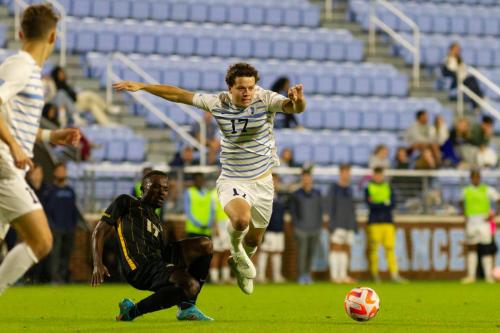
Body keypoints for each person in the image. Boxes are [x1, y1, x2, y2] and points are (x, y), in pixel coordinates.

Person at [113, 62, 306, 295]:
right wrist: (144, 86)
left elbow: (294, 108)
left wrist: (297, 100)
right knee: (241, 221)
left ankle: (238, 262)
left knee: (254, 240)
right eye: (241, 88)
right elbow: (178, 95)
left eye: (251, 87)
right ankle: (236, 250)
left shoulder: (264, 99)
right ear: (229, 88)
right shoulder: (218, 103)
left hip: (263, 182)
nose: (247, 93)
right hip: (233, 178)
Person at [0, 4, 80, 295]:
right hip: (4, 165)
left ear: (20, 33)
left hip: (10, 163)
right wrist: (13, 147)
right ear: (53, 38)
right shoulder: (22, 67)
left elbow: (13, 122)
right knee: (42, 241)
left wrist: (50, 134)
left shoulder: (25, 71)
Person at [91, 171, 213, 321]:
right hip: (139, 267)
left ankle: (187, 307)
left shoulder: (155, 218)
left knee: (205, 245)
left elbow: (161, 250)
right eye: (156, 188)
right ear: (143, 188)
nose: (162, 193)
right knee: (190, 286)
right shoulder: (126, 202)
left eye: (165, 189)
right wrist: (98, 264)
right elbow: (99, 231)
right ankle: (131, 312)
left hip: (157, 259)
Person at [364, 167, 406, 283]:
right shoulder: (368, 188)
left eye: (380, 175)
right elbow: (370, 205)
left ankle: (394, 274)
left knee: (390, 248)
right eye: (376, 175)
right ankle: (375, 274)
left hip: (388, 222)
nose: (378, 177)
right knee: (374, 249)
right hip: (374, 223)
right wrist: (384, 203)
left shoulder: (388, 187)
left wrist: (377, 202)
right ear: (373, 175)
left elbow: (392, 204)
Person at [460, 169, 500, 284]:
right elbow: (462, 203)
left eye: (478, 177)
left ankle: (488, 276)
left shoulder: (487, 189)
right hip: (471, 221)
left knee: (486, 248)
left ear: (480, 178)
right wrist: (464, 215)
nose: (476, 179)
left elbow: (498, 200)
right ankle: (471, 276)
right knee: (472, 247)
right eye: (474, 177)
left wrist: (495, 214)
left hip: (484, 221)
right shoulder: (465, 191)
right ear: (471, 178)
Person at [44, 163, 78, 283]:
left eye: (64, 171)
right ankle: (54, 278)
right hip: (55, 228)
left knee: (66, 254)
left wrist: (74, 225)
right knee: (55, 255)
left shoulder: (70, 191)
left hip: (69, 228)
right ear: (54, 173)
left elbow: (74, 210)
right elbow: (46, 211)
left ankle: (63, 278)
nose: (62, 173)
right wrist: (51, 226)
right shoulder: (49, 191)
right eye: (59, 171)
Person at [290, 169, 323, 285]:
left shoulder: (317, 193)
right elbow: (293, 212)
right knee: (302, 253)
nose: (306, 180)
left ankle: (308, 275)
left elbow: (320, 211)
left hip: (315, 228)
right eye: (304, 178)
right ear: (301, 179)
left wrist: (319, 226)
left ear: (311, 179)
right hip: (301, 229)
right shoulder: (296, 194)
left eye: (308, 177)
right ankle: (301, 276)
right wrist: (296, 226)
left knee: (311, 253)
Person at [327, 164, 357, 284]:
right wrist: (332, 223)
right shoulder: (334, 188)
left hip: (349, 224)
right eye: (344, 172)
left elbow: (352, 208)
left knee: (345, 249)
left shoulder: (350, 189)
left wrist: (354, 224)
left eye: (348, 172)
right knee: (335, 248)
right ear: (340, 173)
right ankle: (334, 276)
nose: (346, 175)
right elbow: (329, 206)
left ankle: (343, 275)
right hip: (337, 223)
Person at [256, 174, 286, 283]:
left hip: (279, 230)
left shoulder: (280, 197)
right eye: (272, 181)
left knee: (277, 252)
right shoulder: (263, 196)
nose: (274, 183)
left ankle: (277, 276)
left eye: (276, 181)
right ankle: (261, 276)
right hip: (267, 230)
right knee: (264, 252)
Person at [442, 42, 484, 110]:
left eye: (458, 50)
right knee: (471, 82)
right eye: (456, 49)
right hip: (455, 81)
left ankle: (477, 100)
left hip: (463, 78)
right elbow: (451, 70)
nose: (458, 51)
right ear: (451, 50)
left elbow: (463, 69)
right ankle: (479, 98)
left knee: (472, 82)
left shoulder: (460, 59)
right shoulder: (448, 59)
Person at [210, 191, 232, 284]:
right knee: (217, 253)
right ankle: (214, 278)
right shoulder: (214, 194)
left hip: (229, 227)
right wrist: (216, 228)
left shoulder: (231, 192)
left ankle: (225, 278)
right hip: (219, 226)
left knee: (227, 253)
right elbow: (212, 212)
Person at [183, 173, 215, 238]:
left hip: (207, 230)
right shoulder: (189, 192)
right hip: (193, 230)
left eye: (201, 179)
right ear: (194, 181)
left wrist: (209, 223)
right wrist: (199, 224)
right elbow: (188, 212)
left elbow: (212, 210)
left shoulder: (208, 193)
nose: (199, 181)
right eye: (197, 180)